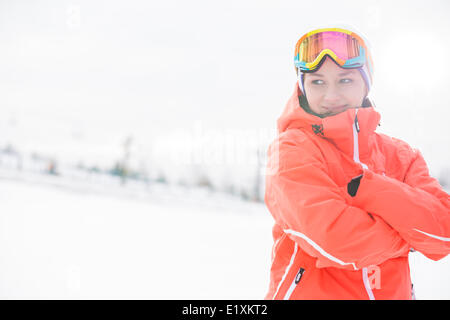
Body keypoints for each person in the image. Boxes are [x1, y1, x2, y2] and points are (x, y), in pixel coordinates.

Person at [264, 26, 450, 300]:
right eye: (317, 82)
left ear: (366, 83)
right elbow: (334, 239)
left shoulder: (401, 156)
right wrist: (407, 235)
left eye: (345, 80)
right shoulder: (292, 149)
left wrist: (372, 188)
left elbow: (443, 231)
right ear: (302, 87)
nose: (331, 95)